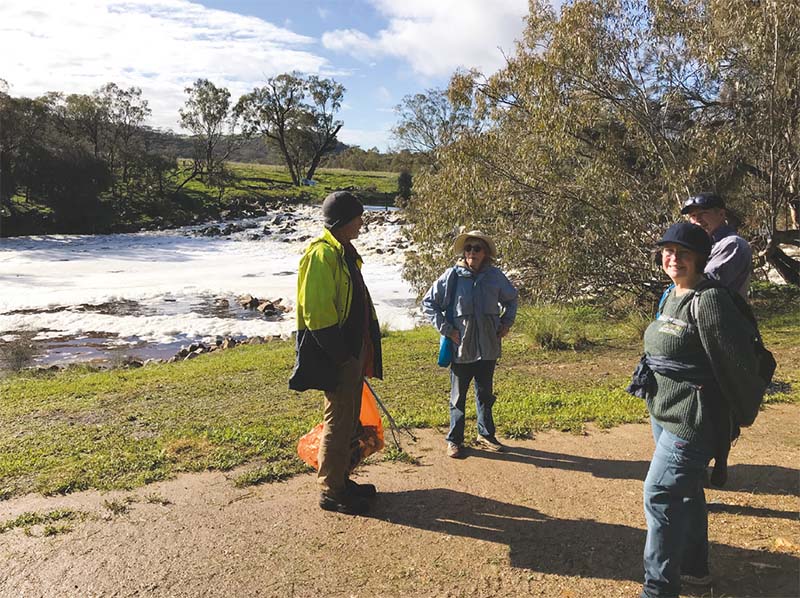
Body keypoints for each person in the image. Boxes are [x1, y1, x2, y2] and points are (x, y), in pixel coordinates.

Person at [631, 222, 765, 598]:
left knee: (658, 494)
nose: (674, 258)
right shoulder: (670, 295)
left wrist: (733, 420)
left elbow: (738, 365)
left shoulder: (710, 301)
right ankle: (695, 571)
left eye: (684, 253)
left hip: (693, 419)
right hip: (664, 411)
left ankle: (658, 591)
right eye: (668, 252)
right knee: (686, 492)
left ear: (702, 259)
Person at [289, 191, 383, 515]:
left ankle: (341, 480)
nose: (362, 222)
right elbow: (317, 312)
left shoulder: (344, 252)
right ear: (343, 220)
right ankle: (331, 491)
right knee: (338, 421)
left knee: (348, 421)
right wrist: (341, 355)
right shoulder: (321, 255)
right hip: (339, 355)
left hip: (351, 354)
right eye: (358, 216)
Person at [421, 230, 518, 458]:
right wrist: (446, 329)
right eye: (468, 248)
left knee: (485, 394)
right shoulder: (451, 276)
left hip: (488, 348)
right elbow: (429, 303)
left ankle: (485, 435)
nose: (471, 252)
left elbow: (512, 299)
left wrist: (506, 323)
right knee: (458, 397)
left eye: (477, 248)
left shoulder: (495, 276)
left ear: (485, 253)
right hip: (461, 348)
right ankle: (454, 440)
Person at [681, 192, 752, 298]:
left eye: (703, 213)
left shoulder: (733, 244)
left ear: (721, 214)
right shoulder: (703, 245)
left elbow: (705, 285)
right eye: (693, 216)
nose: (698, 220)